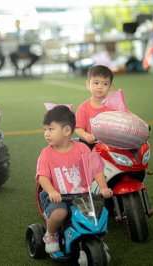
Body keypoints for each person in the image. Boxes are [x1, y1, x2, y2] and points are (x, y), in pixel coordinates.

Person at [36, 105, 113, 253]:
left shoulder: (82, 148)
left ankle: (97, 240)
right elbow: (43, 177)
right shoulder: (46, 153)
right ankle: (50, 234)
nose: (46, 133)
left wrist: (103, 187)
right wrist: (51, 191)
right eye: (45, 129)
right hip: (58, 197)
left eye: (51, 129)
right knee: (60, 213)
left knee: (96, 215)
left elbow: (96, 170)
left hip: (82, 195)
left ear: (66, 131)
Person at [75, 65, 116, 149]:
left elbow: (127, 117)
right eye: (96, 83)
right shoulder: (83, 108)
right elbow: (78, 128)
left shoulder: (114, 106)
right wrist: (86, 136)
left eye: (105, 84)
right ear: (88, 84)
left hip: (109, 145)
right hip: (90, 145)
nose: (100, 87)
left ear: (110, 87)